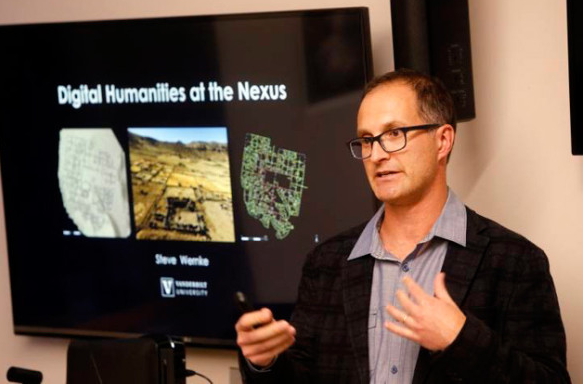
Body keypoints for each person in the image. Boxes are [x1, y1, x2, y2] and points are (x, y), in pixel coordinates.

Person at [235, 69, 570, 383]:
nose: (377, 154)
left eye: (394, 133)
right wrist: (264, 362)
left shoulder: (514, 260)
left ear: (443, 141)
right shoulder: (326, 263)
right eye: (367, 139)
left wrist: (461, 340)